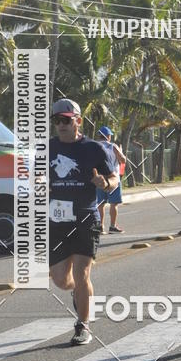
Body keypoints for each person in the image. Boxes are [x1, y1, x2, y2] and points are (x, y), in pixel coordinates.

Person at [49, 99, 119, 345]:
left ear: (77, 121)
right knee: (60, 279)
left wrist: (105, 184)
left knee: (82, 274)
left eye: (67, 120)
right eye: (57, 121)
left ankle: (83, 325)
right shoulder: (46, 148)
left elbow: (114, 178)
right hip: (56, 220)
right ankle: (80, 294)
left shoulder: (95, 149)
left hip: (85, 218)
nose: (62, 125)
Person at [96, 126, 127, 233]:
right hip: (113, 179)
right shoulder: (112, 146)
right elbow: (123, 159)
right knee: (114, 203)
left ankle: (100, 226)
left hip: (99, 179)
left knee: (100, 203)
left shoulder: (94, 146)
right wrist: (120, 153)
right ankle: (112, 226)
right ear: (108, 136)